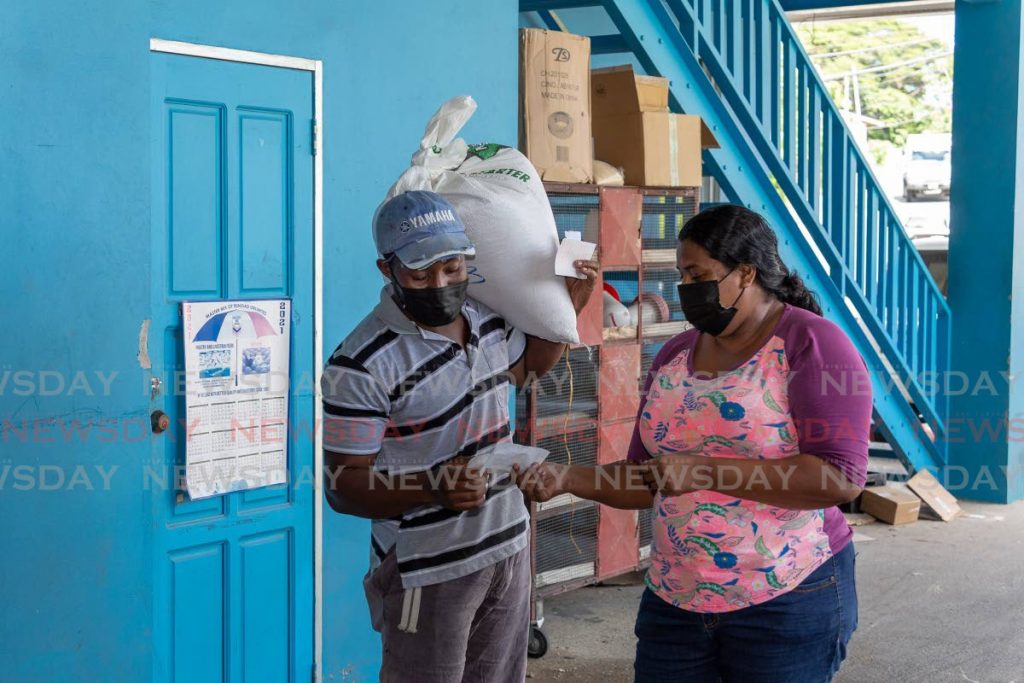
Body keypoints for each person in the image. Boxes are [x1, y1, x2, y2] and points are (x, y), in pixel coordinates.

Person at [517, 205, 871, 683]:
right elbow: (646, 481)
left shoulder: (814, 344)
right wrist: (566, 477)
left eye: (698, 274)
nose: (686, 287)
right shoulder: (675, 354)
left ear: (746, 273)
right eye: (682, 273)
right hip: (676, 597)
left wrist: (705, 470)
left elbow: (839, 478)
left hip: (785, 596)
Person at [322, 190, 597, 683]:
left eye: (452, 267)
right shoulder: (358, 365)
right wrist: (432, 487)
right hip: (427, 570)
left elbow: (526, 371)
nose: (441, 283)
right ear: (388, 270)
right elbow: (342, 487)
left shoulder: (486, 317)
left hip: (508, 546)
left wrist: (564, 312)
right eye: (420, 273)